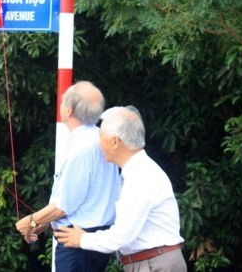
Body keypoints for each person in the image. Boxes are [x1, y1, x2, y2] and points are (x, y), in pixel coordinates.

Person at [54, 106, 187, 271]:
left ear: (115, 141)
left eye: (100, 136)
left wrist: (82, 239)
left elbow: (122, 235)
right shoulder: (136, 172)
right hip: (150, 262)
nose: (98, 142)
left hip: (155, 264)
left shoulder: (140, 176)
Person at [15, 81, 120, 271]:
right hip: (94, 238)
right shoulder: (99, 138)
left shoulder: (81, 149)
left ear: (69, 110)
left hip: (77, 241)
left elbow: (65, 205)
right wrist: (45, 221)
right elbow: (86, 196)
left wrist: (31, 220)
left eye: (63, 101)